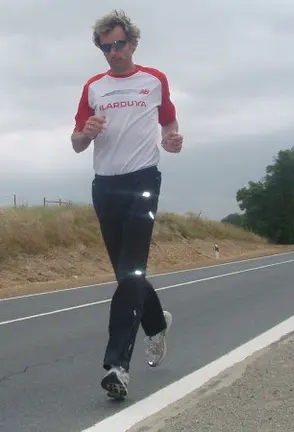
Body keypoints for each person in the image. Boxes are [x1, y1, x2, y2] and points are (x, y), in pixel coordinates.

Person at [70, 9, 183, 400]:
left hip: (142, 181)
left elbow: (169, 123)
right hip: (105, 185)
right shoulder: (93, 88)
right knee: (126, 274)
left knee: (132, 268)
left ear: (133, 43)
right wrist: (86, 133)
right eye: (106, 48)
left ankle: (117, 366)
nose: (113, 52)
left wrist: (172, 139)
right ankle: (155, 323)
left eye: (119, 44)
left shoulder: (154, 80)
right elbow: (76, 142)